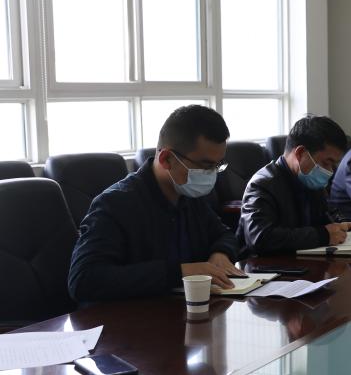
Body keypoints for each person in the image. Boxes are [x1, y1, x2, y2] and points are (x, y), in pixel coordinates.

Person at [68, 105, 243, 302]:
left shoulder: (190, 195)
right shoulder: (115, 204)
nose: (212, 174)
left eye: (217, 165)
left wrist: (221, 253)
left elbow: (224, 234)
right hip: (129, 316)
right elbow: (84, 280)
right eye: (205, 166)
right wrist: (180, 272)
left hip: (183, 310)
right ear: (166, 159)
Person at [238, 115, 351, 255]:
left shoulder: (310, 179)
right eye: (326, 163)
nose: (330, 171)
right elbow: (260, 238)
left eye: (333, 165)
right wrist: (322, 235)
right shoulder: (262, 185)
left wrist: (343, 224)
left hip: (305, 261)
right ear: (301, 153)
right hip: (264, 265)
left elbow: (329, 212)